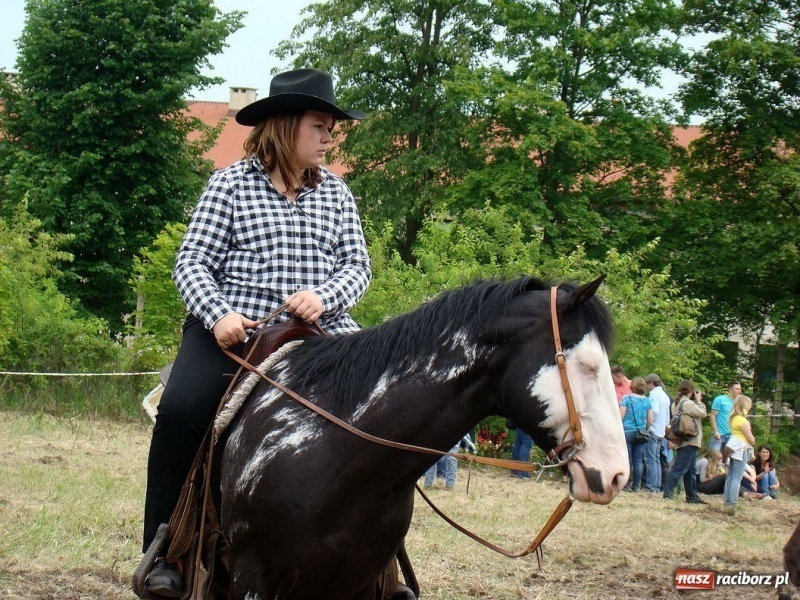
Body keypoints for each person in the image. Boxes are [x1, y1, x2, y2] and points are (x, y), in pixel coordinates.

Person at [142, 68, 372, 597]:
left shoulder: (337, 192)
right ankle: (162, 550)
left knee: (381, 411)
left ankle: (377, 566)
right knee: (180, 413)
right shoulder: (229, 183)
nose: (329, 136)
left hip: (321, 332)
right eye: (320, 125)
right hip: (235, 332)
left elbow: (357, 266)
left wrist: (325, 296)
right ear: (286, 126)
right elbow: (192, 261)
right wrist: (218, 313)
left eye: (331, 127)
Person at [663, 379, 708, 504]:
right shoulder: (687, 404)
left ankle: (692, 496)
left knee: (690, 471)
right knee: (679, 469)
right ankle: (668, 494)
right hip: (690, 439)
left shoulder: (676, 403)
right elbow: (702, 413)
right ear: (691, 391)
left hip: (682, 439)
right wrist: (699, 401)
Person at [723, 395, 757, 510]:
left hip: (732, 446)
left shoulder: (733, 418)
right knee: (737, 477)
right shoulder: (743, 421)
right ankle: (733, 502)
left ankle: (727, 500)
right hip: (741, 448)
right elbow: (751, 439)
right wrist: (753, 440)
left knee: (731, 476)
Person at [619, 377, 653, 492]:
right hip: (641, 433)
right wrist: (645, 429)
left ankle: (625, 485)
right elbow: (650, 420)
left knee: (627, 460)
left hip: (627, 431)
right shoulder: (647, 401)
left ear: (632, 386)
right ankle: (636, 486)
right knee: (638, 461)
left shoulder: (626, 399)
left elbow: (621, 417)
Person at [644, 373, 671, 492]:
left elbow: (654, 411)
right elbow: (666, 416)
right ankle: (656, 485)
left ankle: (651, 486)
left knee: (650, 459)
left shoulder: (654, 395)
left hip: (653, 429)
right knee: (656, 459)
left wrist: (648, 425)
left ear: (651, 383)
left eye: (647, 384)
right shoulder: (665, 395)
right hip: (661, 431)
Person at [708, 381, 742, 452]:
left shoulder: (738, 402)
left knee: (728, 460)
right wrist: (715, 431)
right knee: (714, 457)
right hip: (719, 434)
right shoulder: (720, 399)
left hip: (732, 435)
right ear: (730, 390)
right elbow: (712, 416)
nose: (740, 391)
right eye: (737, 389)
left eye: (740, 389)